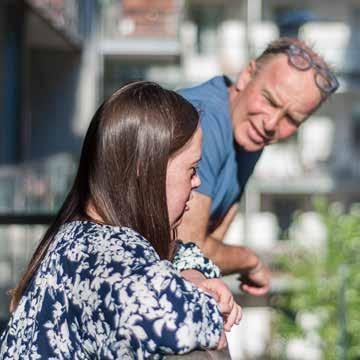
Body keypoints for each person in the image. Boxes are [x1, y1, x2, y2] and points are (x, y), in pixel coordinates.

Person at [0, 82, 241, 359]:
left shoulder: (83, 238)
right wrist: (210, 313)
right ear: (144, 167)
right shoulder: (101, 250)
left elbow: (181, 252)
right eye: (192, 169)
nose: (197, 182)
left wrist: (192, 276)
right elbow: (172, 324)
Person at [177, 37, 339, 296]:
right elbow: (188, 255)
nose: (272, 123)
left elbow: (211, 245)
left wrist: (216, 253)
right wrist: (249, 260)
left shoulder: (249, 135)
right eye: (270, 101)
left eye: (291, 119)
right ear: (247, 75)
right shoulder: (200, 122)